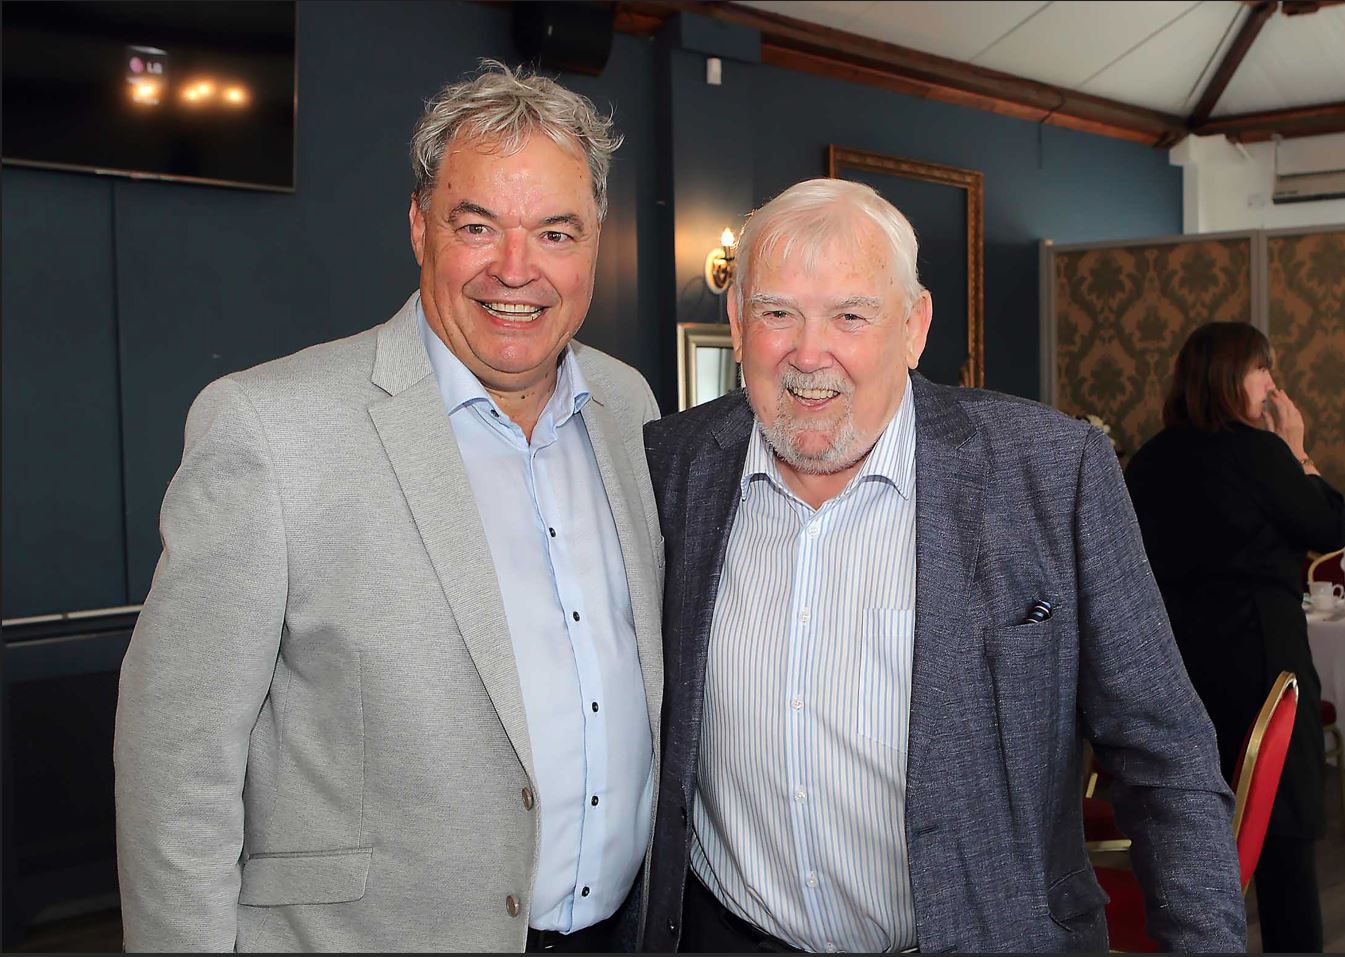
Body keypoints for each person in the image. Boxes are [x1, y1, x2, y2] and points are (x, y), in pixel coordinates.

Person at [114, 61, 664, 953]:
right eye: (477, 224)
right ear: (419, 227)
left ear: (596, 239)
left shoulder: (628, 405)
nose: (515, 269)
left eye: (555, 231)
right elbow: (174, 768)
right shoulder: (268, 427)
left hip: (618, 933)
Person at [640, 178, 1247, 953]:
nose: (807, 353)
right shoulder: (674, 464)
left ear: (913, 325)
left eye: (850, 315)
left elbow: (1162, 754)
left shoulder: (1050, 474)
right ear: (736, 319)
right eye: (776, 313)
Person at [1126, 321, 1345, 953]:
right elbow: (1330, 523)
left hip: (1180, 672)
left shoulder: (1151, 459)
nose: (1272, 384)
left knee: (1188, 843)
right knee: (1283, 840)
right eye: (1262, 370)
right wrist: (1298, 449)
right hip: (1263, 667)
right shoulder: (1260, 453)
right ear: (1228, 378)